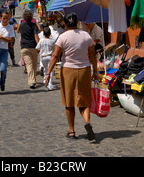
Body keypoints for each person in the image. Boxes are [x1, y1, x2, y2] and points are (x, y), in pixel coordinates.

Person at [45, 12, 98, 141]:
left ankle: (71, 131)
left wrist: (48, 73)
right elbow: (92, 55)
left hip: (68, 70)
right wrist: (95, 71)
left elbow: (55, 56)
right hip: (84, 70)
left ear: (65, 23)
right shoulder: (86, 36)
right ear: (77, 22)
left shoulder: (63, 37)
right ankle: (87, 122)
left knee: (69, 102)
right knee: (84, 100)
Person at [0, 11, 15, 95]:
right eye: (4, 18)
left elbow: (11, 39)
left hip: (4, 50)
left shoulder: (10, 27)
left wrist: (1, 37)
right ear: (0, 18)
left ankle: (2, 82)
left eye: (7, 18)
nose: (5, 20)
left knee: (3, 69)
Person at [17, 8, 39, 89]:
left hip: (24, 47)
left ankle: (32, 81)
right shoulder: (34, 26)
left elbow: (18, 31)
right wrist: (39, 46)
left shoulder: (22, 25)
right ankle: (32, 81)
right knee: (34, 64)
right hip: (33, 47)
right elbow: (36, 37)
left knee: (29, 65)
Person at [36, 26, 56, 90]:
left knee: (45, 69)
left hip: (43, 57)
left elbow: (37, 48)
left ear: (43, 34)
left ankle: (45, 79)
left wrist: (39, 53)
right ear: (50, 33)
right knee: (51, 70)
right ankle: (50, 83)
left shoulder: (41, 41)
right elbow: (55, 49)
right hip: (50, 56)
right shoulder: (52, 41)